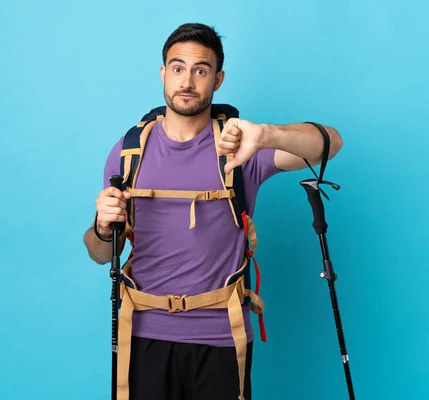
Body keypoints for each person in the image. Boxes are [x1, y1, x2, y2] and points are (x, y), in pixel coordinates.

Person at [83, 22, 343, 400]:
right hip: (142, 334)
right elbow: (100, 253)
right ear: (163, 74)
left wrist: (266, 135)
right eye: (177, 68)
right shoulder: (127, 154)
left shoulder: (240, 149)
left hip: (221, 336)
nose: (187, 80)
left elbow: (330, 143)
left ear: (218, 79)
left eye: (200, 70)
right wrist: (104, 229)